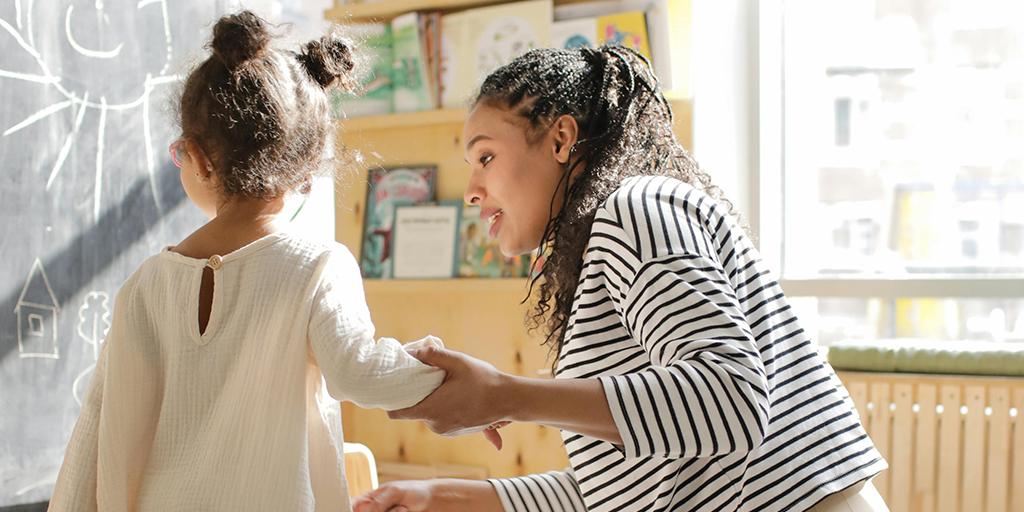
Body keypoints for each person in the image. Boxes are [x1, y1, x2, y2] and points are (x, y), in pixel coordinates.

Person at [354, 47, 889, 512]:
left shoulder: (635, 208)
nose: (471, 190)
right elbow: (633, 488)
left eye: (486, 156)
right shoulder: (602, 253)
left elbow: (732, 401)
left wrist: (506, 395)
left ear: (562, 138)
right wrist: (446, 498)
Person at [49, 11, 444, 512]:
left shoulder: (147, 284)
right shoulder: (318, 266)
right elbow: (360, 374)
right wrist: (437, 370)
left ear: (198, 157)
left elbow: (97, 426)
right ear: (305, 170)